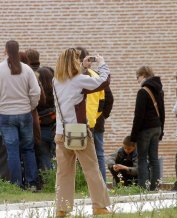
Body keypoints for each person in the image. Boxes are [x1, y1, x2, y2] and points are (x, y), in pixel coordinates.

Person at [53, 48, 110, 217]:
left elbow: (72, 84)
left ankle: (62, 209)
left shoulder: (55, 80)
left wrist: (83, 68)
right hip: (79, 132)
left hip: (61, 133)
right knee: (91, 169)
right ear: (74, 62)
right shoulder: (79, 80)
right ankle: (99, 206)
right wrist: (102, 64)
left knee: (63, 173)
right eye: (77, 60)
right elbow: (103, 82)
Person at [0, 40, 40, 190]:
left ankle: (17, 185)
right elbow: (36, 92)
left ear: (5, 51)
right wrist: (30, 106)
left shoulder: (0, 69)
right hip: (24, 113)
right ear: (18, 51)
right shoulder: (27, 70)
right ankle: (32, 183)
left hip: (5, 116)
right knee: (28, 149)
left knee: (12, 151)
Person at [76, 47, 114, 183]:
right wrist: (102, 115)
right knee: (99, 154)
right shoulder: (97, 75)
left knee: (79, 154)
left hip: (79, 121)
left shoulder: (74, 77)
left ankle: (84, 183)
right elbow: (109, 99)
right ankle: (101, 183)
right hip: (97, 121)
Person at [130, 66, 165, 191]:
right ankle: (155, 187)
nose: (137, 80)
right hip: (157, 127)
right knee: (154, 158)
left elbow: (138, 116)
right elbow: (162, 111)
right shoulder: (159, 90)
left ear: (143, 75)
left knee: (142, 159)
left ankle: (143, 188)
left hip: (145, 129)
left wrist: (133, 136)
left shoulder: (143, 92)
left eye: (137, 77)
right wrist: (162, 129)